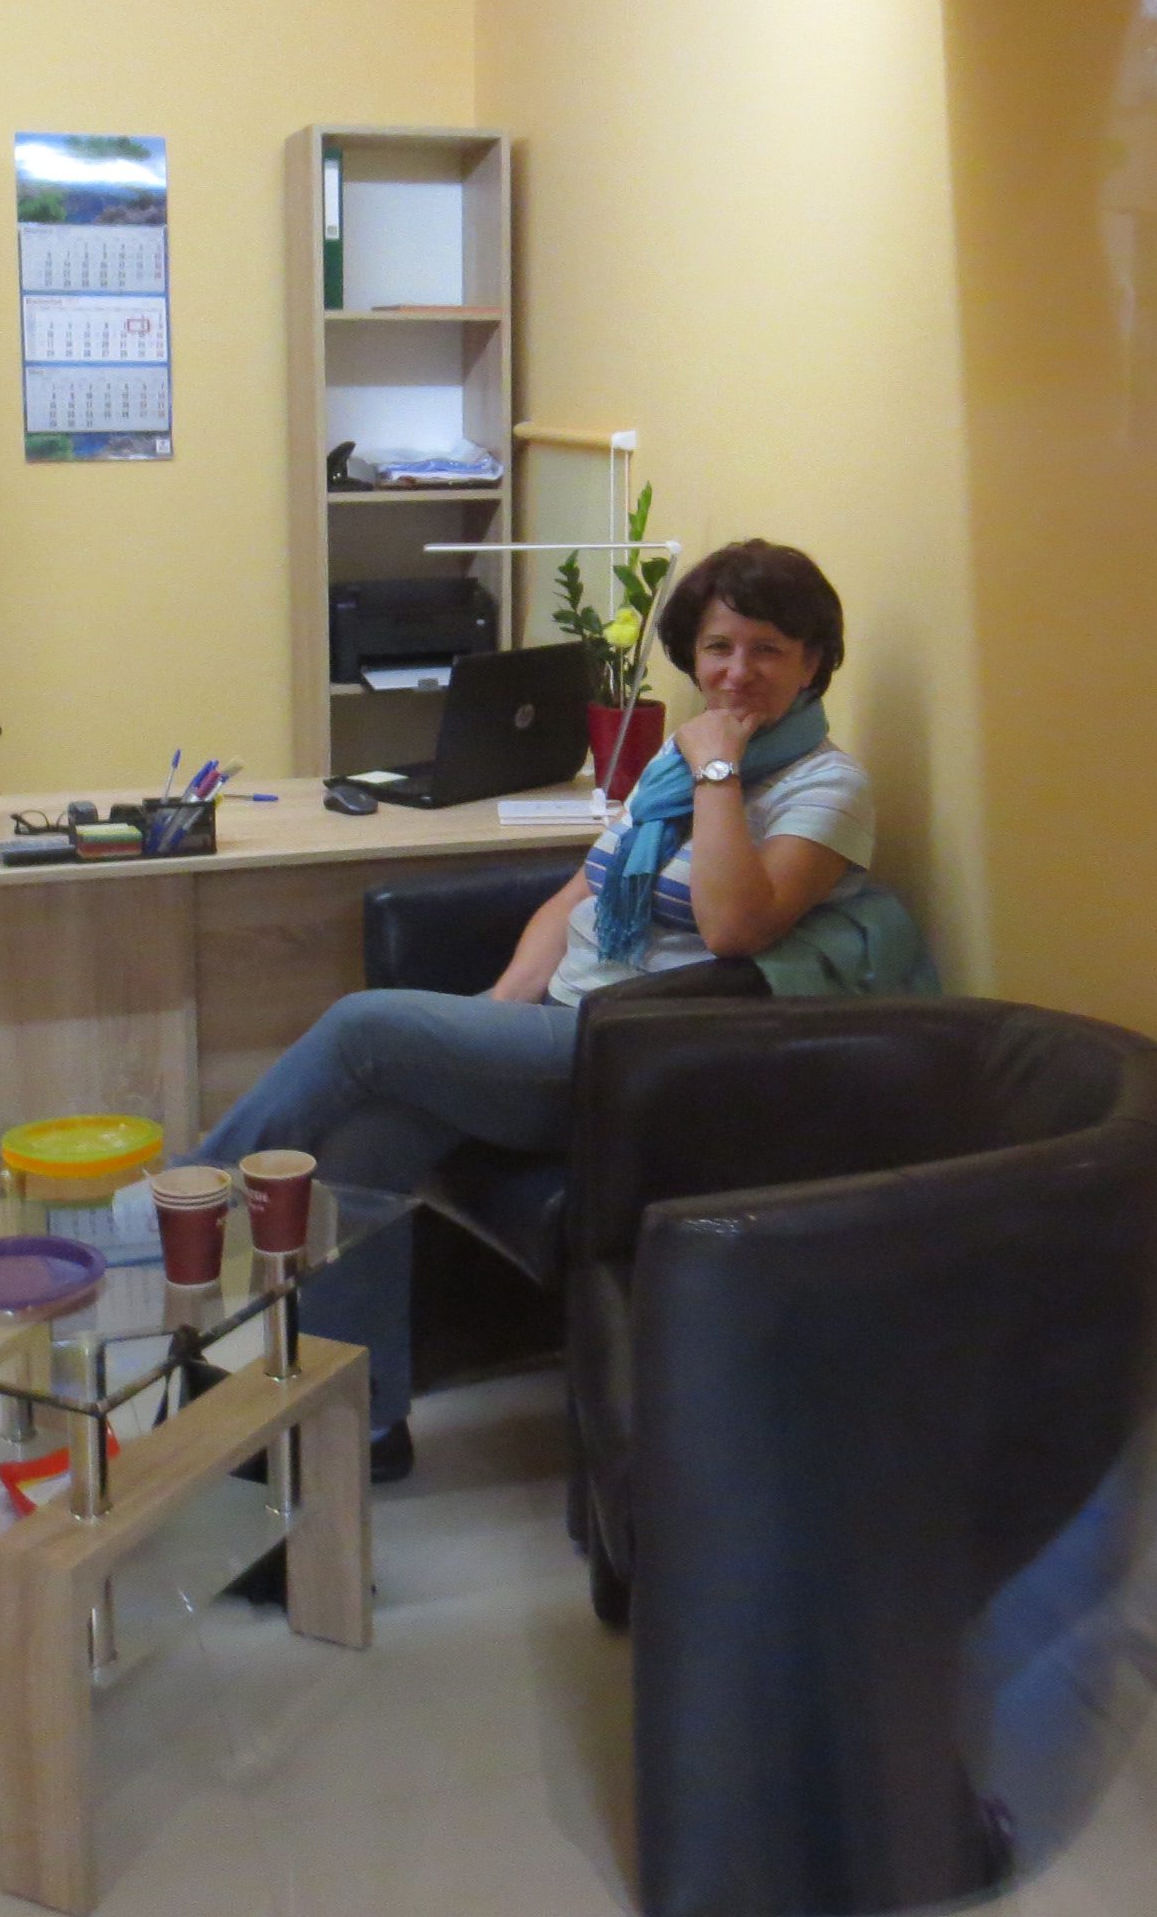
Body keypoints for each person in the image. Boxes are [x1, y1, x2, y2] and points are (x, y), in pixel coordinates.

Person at [188, 539, 875, 1475]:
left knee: (360, 1025)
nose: (735, 672)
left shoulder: (826, 786)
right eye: (719, 647)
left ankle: (179, 1213)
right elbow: (575, 897)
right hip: (557, 1029)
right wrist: (500, 1010)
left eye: (767, 650)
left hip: (639, 1059)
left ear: (814, 661)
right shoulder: (669, 773)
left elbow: (733, 926)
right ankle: (367, 1426)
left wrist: (719, 773)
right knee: (363, 1145)